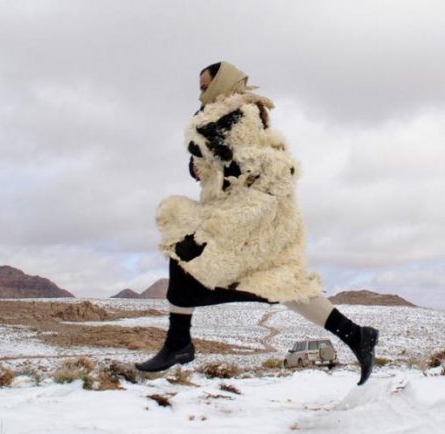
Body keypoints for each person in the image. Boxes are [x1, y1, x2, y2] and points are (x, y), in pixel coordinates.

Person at [135, 61, 379, 386]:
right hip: (242, 211)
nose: (201, 92)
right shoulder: (223, 116)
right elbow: (219, 163)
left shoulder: (237, 116)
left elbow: (250, 164)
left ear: (223, 84)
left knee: (200, 264)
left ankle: (179, 343)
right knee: (278, 280)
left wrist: (215, 160)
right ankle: (356, 335)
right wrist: (203, 167)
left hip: (252, 217)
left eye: (206, 86)